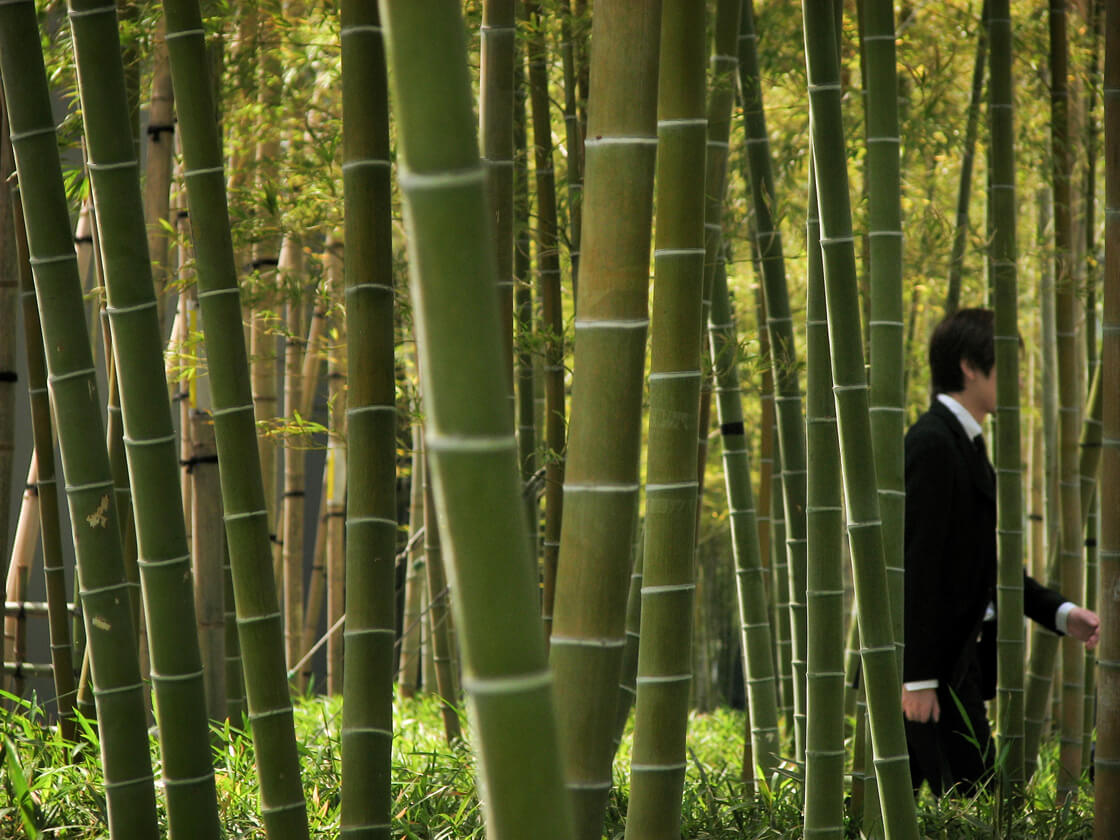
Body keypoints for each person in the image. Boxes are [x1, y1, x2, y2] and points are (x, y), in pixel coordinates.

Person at [902, 307, 1100, 796]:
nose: (1021, 381)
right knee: (967, 801)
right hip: (932, 674)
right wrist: (917, 677)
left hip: (957, 667)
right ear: (970, 365)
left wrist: (1061, 612)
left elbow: (985, 570)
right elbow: (916, 563)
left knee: (953, 803)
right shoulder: (932, 444)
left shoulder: (968, 447)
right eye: (1010, 364)